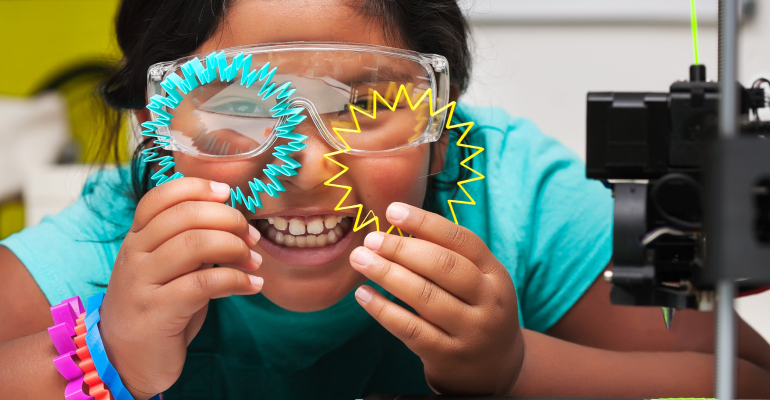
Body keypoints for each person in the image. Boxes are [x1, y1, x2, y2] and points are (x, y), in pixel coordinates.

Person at [1, 1, 769, 399]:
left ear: (444, 120)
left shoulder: (507, 193)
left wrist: (516, 368)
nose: (306, 167)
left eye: (363, 103)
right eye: (235, 106)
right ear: (157, 132)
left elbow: (746, 379)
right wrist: (111, 356)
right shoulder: (115, 240)